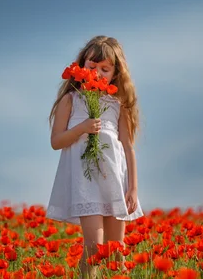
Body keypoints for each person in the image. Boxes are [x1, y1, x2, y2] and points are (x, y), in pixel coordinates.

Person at [46, 35, 143, 278]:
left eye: (105, 69)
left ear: (115, 74)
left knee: (116, 252)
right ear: (81, 67)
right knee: (94, 249)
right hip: (85, 184)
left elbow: (128, 147)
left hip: (114, 183)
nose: (97, 73)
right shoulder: (70, 100)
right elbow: (56, 142)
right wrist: (83, 128)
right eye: (92, 67)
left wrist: (132, 189)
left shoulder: (117, 104)